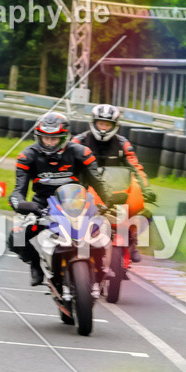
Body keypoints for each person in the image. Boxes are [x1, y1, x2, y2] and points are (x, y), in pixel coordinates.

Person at [8, 112, 114, 287]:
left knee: (106, 228)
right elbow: (18, 191)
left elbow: (98, 182)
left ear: (65, 137)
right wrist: (21, 204)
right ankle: (35, 264)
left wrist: (110, 200)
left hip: (78, 205)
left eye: (54, 139)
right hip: (43, 207)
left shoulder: (82, 153)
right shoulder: (27, 156)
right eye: (45, 138)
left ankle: (100, 266)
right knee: (16, 238)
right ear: (38, 137)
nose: (49, 143)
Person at [72, 104, 156, 263]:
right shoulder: (79, 141)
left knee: (144, 213)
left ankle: (132, 241)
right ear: (94, 123)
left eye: (107, 124)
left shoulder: (122, 144)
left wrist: (146, 188)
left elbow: (136, 167)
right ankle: (75, 243)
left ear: (114, 125)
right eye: (101, 123)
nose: (103, 128)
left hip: (116, 189)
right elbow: (68, 165)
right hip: (85, 188)